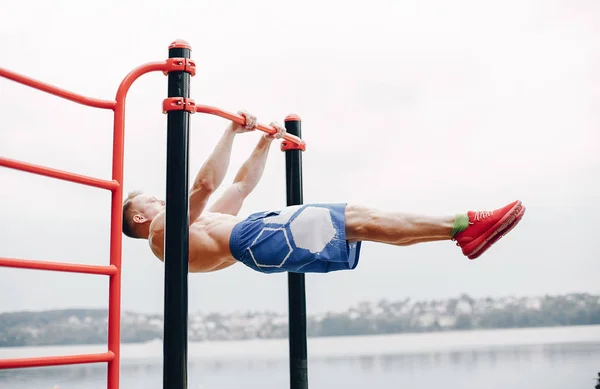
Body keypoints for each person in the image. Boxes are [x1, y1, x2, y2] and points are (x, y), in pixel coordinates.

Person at [122, 111, 525, 274]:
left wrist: (262, 144)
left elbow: (240, 185)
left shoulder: (193, 227)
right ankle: (465, 224)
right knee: (361, 219)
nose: (160, 199)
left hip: (256, 236)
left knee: (363, 225)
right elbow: (204, 186)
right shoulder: (162, 233)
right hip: (256, 239)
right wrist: (230, 132)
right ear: (140, 217)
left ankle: (461, 232)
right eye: (151, 201)